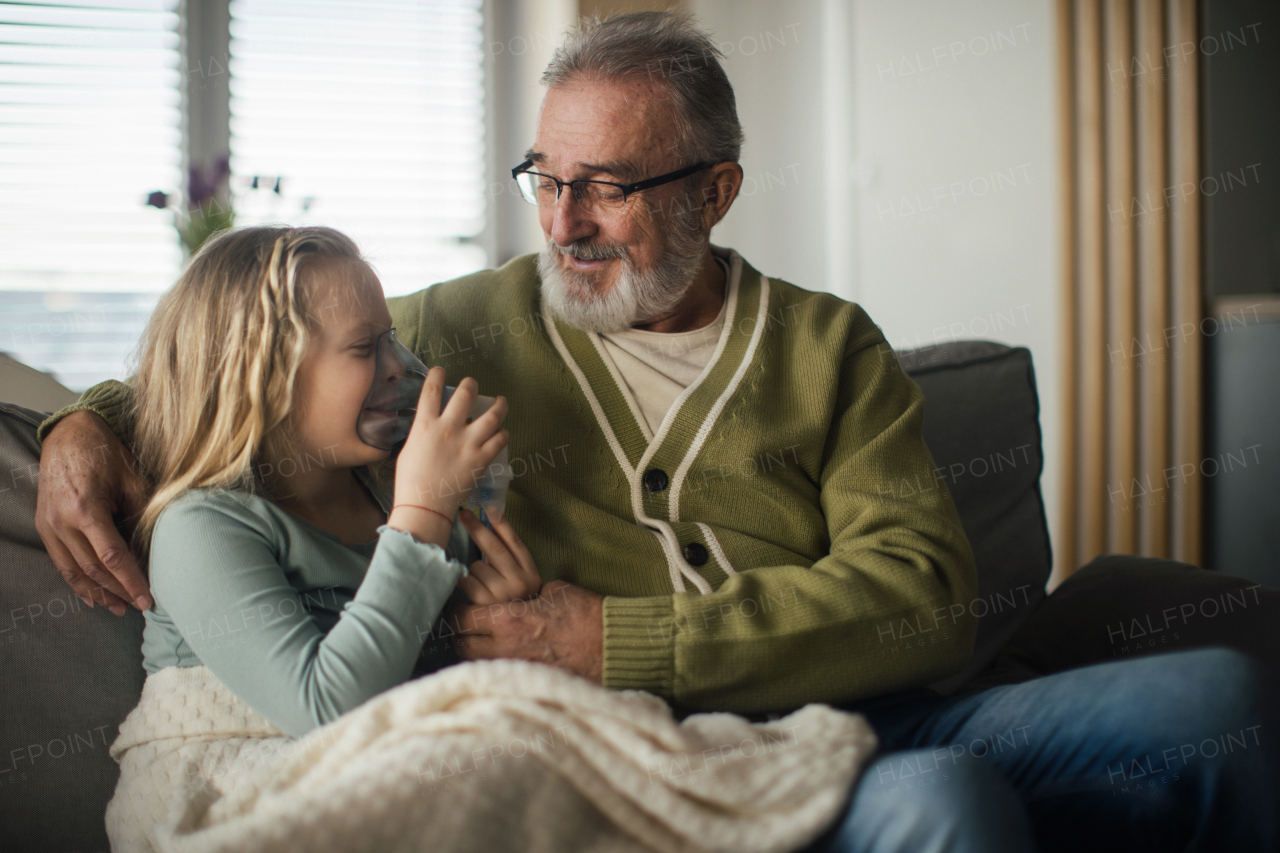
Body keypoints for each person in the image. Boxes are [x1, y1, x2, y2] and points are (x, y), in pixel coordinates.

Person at [35, 11, 1279, 853]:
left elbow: (924, 598)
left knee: (1214, 691)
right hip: (670, 755)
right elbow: (241, 367)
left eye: (610, 187)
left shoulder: (825, 347)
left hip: (868, 703)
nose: (565, 221)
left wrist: (619, 634)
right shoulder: (454, 329)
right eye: (546, 177)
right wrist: (78, 434)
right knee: (946, 803)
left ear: (713, 190)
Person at [101, 226, 541, 849]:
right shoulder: (202, 527)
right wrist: (423, 512)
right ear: (260, 374)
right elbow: (327, 710)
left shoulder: (391, 493)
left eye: (392, 338)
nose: (401, 368)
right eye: (366, 347)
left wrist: (498, 619)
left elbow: (415, 680)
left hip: (382, 762)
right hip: (221, 788)